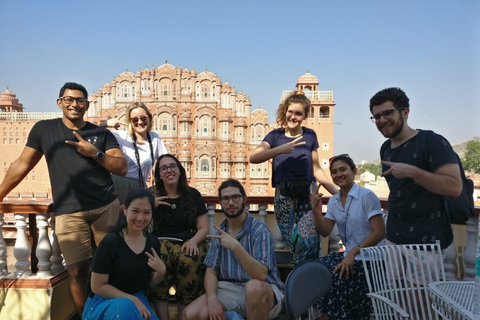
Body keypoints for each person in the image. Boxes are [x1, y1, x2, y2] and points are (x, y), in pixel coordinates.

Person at [0, 82, 128, 316]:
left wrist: (95, 153)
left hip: (105, 207)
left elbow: (121, 167)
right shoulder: (44, 130)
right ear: (59, 103)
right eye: (69, 99)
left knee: (113, 267)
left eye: (80, 100)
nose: (74, 104)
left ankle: (115, 313)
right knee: (77, 273)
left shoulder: (101, 133)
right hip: (69, 211)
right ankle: (86, 316)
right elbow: (22, 164)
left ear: (87, 105)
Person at [249, 90, 337, 264]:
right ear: (285, 112)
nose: (293, 116)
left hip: (308, 196)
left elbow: (317, 168)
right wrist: (280, 149)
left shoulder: (310, 135)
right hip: (284, 196)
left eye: (298, 113)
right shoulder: (275, 136)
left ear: (304, 116)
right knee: (294, 242)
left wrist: (337, 193)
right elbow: (254, 157)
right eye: (291, 112)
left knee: (309, 242)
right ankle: (301, 280)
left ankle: (302, 281)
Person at [369, 87, 462, 250]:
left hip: (427, 244)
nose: (382, 120)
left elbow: (454, 187)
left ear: (405, 112)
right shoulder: (385, 148)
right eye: (377, 116)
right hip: (394, 239)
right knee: (391, 278)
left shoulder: (431, 141)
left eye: (388, 113)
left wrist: (412, 172)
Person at [183, 179, 284, 320]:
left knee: (253, 288)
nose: (230, 202)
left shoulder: (260, 230)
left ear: (244, 199)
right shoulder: (220, 231)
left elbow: (261, 275)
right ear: (220, 202)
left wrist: (236, 246)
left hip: (264, 290)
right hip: (230, 288)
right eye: (225, 198)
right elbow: (211, 272)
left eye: (235, 197)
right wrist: (212, 299)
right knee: (191, 314)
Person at [311, 154, 385, 320]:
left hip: (371, 259)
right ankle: (329, 314)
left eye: (343, 169)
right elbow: (325, 231)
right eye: (334, 172)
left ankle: (329, 316)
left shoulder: (366, 196)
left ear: (354, 171)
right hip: (349, 256)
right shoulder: (334, 202)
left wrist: (353, 252)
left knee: (338, 276)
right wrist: (315, 209)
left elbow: (380, 232)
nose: (339, 174)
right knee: (314, 269)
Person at [83, 188, 166, 320]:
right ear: (125, 209)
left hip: (136, 298)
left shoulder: (152, 242)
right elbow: (97, 286)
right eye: (135, 211)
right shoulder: (111, 242)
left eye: (146, 213)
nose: (140, 218)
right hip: (105, 301)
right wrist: (132, 300)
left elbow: (150, 282)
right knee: (125, 307)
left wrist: (160, 272)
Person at [148, 154, 209, 320]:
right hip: (159, 242)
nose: (169, 170)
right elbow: (133, 218)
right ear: (159, 174)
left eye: (172, 166)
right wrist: (148, 205)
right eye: (164, 168)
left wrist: (194, 241)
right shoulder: (150, 195)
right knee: (158, 260)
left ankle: (185, 316)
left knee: (190, 260)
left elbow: (203, 227)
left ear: (180, 171)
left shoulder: (192, 195)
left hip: (188, 241)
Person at [102, 102, 168, 204]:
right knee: (116, 218)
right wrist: (105, 124)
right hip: (118, 185)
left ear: (149, 118)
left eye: (143, 118)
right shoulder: (120, 136)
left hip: (140, 187)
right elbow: (91, 136)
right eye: (135, 120)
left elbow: (166, 161)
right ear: (129, 122)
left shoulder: (154, 139)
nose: (140, 122)